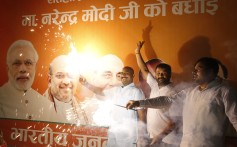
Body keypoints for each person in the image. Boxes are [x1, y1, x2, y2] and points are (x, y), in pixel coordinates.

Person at [126, 57, 237, 147]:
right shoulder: (190, 91)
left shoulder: (224, 92)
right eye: (194, 69)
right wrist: (139, 103)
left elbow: (235, 119)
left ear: (211, 71)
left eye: (199, 68)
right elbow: (168, 100)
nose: (194, 71)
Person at [81, 66, 147, 147]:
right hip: (114, 131)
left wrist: (142, 136)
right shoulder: (116, 89)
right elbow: (99, 91)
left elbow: (142, 115)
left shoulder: (136, 91)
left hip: (128, 134)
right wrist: (85, 83)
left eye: (127, 73)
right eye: (122, 73)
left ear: (133, 76)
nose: (124, 75)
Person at [135, 41, 178, 146]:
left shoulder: (174, 92)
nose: (161, 75)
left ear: (169, 75)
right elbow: (144, 69)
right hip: (153, 138)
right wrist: (137, 52)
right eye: (158, 73)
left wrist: (160, 137)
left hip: (167, 141)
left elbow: (175, 122)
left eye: (164, 73)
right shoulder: (154, 86)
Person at [0, 40, 52, 121]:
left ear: (35, 67)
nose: (23, 69)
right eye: (17, 63)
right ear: (8, 68)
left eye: (28, 63)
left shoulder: (46, 105)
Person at [44, 55, 88, 124]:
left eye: (71, 76)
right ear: (49, 80)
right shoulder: (37, 107)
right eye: (60, 76)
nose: (66, 82)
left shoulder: (87, 110)